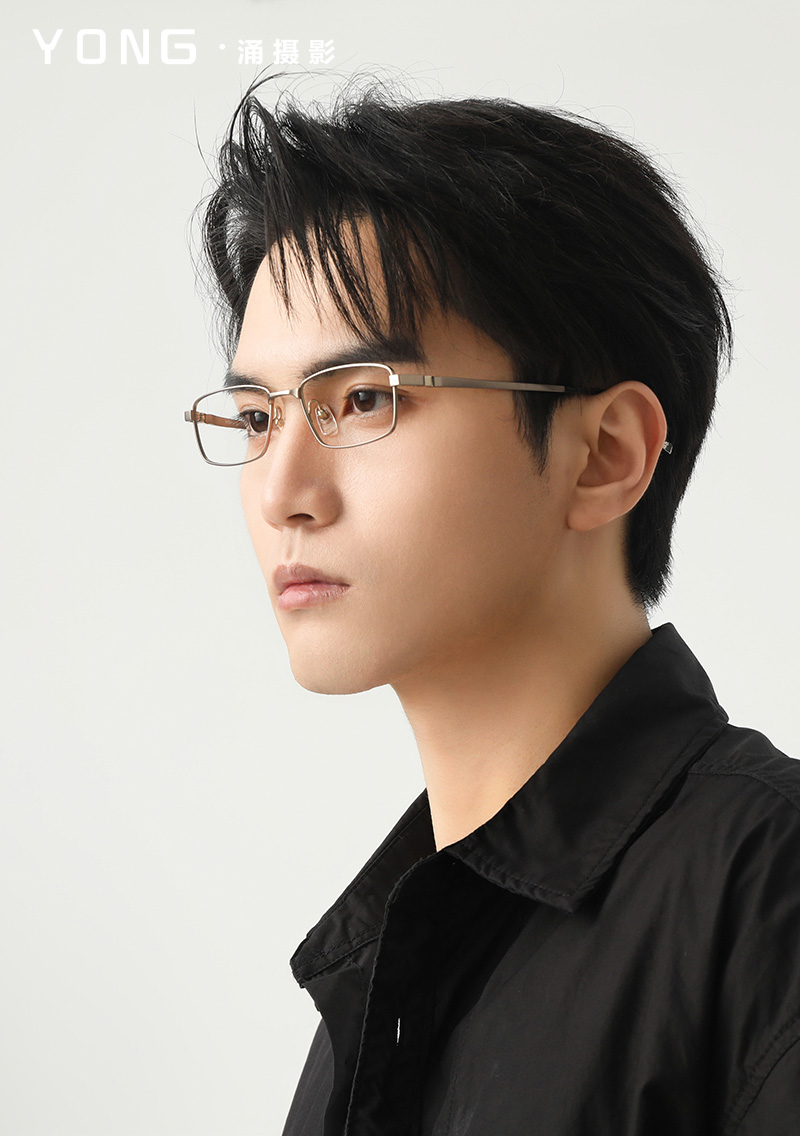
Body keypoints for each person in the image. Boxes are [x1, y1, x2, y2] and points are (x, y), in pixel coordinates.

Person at [185, 78, 800, 1135]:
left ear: (604, 455)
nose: (283, 491)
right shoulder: (381, 978)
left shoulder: (764, 894)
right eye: (254, 416)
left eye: (362, 399)